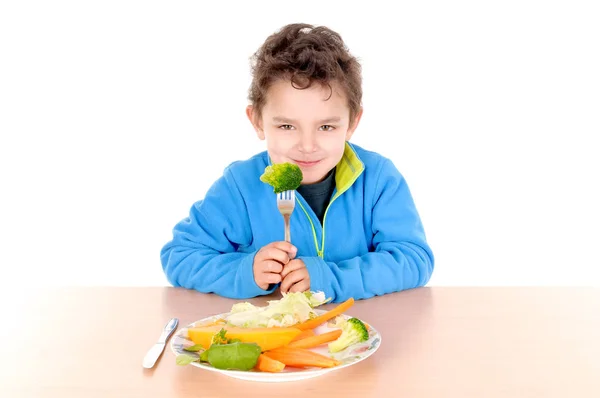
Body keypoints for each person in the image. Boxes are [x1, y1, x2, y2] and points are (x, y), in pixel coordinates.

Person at [160, 23, 434, 303]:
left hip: (361, 335)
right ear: (257, 121)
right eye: (287, 126)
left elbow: (414, 259)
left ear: (352, 123)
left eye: (326, 127)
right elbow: (180, 256)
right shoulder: (239, 187)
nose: (307, 146)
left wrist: (331, 279)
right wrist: (244, 271)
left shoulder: (378, 180)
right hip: (273, 338)